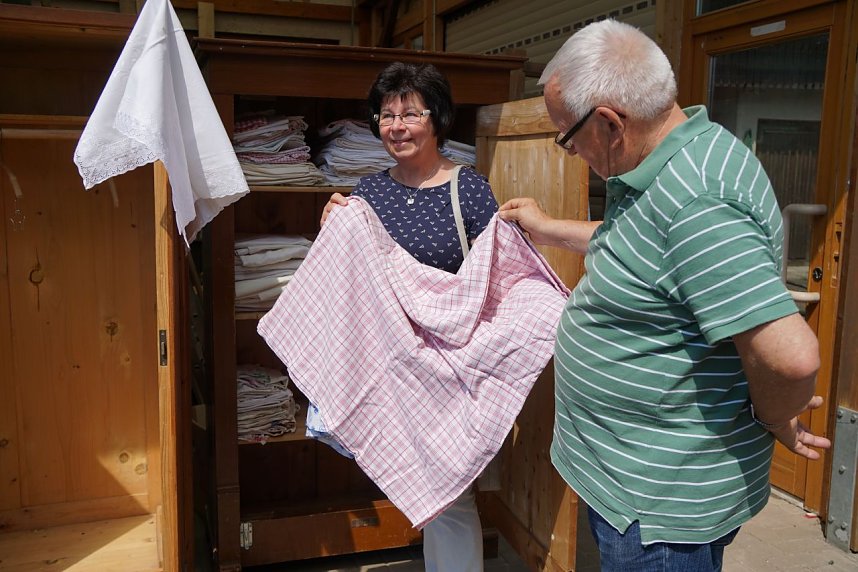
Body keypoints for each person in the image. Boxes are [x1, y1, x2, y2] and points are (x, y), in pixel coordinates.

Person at [497, 19, 832, 572]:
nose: (571, 152)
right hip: (631, 478)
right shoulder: (666, 162)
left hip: (660, 511)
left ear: (608, 123)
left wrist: (775, 415)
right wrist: (550, 227)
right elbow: (645, 250)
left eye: (567, 137)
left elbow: (792, 358)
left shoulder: (698, 200)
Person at [319, 61, 499, 572]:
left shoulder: (469, 189)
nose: (396, 126)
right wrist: (331, 228)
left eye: (410, 113)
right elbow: (346, 278)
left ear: (437, 119)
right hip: (396, 366)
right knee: (425, 494)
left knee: (451, 495)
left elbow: (499, 273)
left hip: (454, 365)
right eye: (385, 115)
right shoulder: (370, 193)